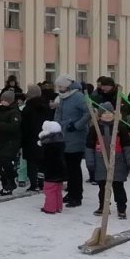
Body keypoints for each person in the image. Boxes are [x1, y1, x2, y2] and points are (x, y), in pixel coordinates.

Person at [86, 102, 130, 219]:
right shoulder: (95, 129)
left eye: (110, 113)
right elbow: (89, 147)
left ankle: (121, 208)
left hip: (118, 161)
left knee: (118, 186)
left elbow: (127, 146)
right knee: (102, 186)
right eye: (104, 113)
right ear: (100, 115)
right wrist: (90, 162)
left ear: (114, 114)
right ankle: (103, 206)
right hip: (100, 161)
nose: (107, 115)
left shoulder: (120, 128)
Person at [54, 74, 89, 208]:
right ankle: (71, 192)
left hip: (76, 137)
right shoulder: (63, 97)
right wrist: (56, 125)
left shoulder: (79, 97)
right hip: (63, 136)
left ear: (67, 86)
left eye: (61, 86)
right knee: (68, 167)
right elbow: (58, 113)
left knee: (74, 168)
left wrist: (76, 125)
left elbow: (88, 113)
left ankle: (77, 195)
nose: (59, 89)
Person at [20, 84, 50, 192]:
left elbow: (23, 126)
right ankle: (42, 182)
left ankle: (33, 184)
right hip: (44, 138)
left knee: (31, 164)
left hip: (30, 139)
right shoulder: (46, 107)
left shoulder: (28, 108)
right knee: (42, 163)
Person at [0, 89, 22, 196]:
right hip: (1, 141)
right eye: (2, 100)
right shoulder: (0, 110)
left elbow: (14, 127)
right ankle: (6, 185)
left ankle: (10, 184)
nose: (3, 102)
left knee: (5, 163)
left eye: (5, 100)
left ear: (10, 101)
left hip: (11, 142)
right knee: (0, 165)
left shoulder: (15, 112)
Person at [39, 121, 66, 214]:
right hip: (61, 170)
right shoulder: (61, 142)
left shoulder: (48, 145)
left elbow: (44, 159)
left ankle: (50, 208)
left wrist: (41, 169)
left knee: (49, 190)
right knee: (58, 190)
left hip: (51, 170)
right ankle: (58, 206)